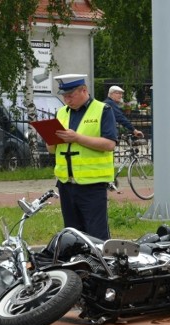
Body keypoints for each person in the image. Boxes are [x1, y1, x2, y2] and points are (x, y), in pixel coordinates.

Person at [49, 74, 118, 241]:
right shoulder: (61, 113)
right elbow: (52, 150)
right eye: (64, 96)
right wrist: (49, 139)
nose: (67, 100)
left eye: (70, 95)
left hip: (92, 185)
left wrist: (77, 138)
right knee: (72, 235)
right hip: (66, 184)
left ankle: (100, 266)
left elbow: (109, 144)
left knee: (96, 234)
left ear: (84, 90)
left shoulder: (103, 110)